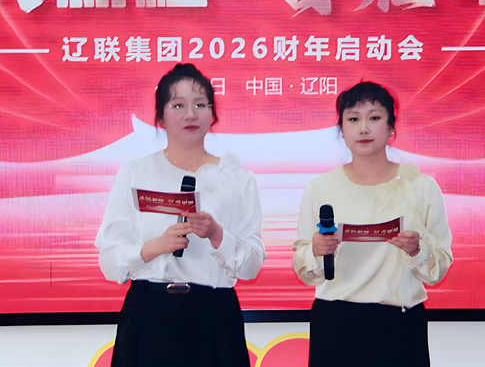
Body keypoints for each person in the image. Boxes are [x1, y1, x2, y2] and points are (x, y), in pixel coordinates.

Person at [95, 63, 265, 367]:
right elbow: (109, 261)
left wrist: (217, 234)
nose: (190, 114)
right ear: (160, 117)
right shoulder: (135, 173)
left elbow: (251, 266)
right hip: (150, 314)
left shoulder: (238, 178)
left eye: (200, 104)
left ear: (212, 114)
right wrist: (155, 247)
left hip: (214, 316)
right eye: (178, 105)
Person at [293, 81, 453, 367]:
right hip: (336, 323)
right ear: (342, 129)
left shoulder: (421, 187)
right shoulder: (320, 187)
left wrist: (418, 250)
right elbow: (305, 271)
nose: (364, 128)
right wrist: (315, 250)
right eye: (353, 119)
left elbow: (439, 267)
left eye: (375, 117)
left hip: (400, 324)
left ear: (391, 127)